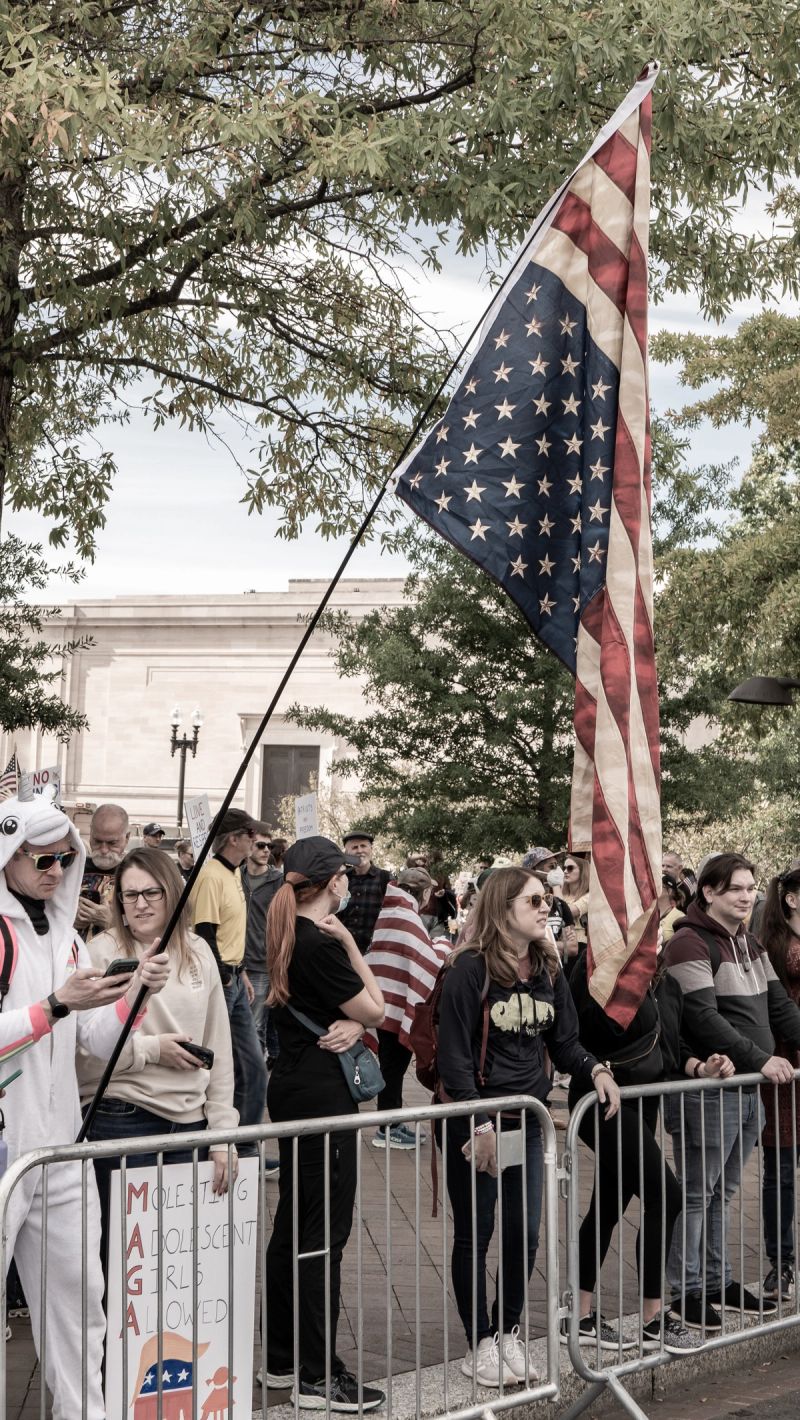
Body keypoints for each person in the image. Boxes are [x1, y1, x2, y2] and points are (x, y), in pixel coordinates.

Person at [0, 792, 169, 1420]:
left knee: (81, 1306)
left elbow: (92, 1042)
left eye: (63, 860)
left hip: (63, 1151)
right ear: (9, 857)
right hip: (4, 1150)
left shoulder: (70, 941)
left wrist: (132, 996)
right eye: (42, 860)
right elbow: (46, 1019)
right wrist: (55, 1006)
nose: (56, 871)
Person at [436, 865, 620, 1388]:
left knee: (526, 1233)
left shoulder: (547, 967)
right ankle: (480, 1343)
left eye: (547, 900)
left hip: (529, 1121)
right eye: (535, 901)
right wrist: (477, 1124)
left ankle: (508, 1332)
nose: (547, 908)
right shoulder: (469, 969)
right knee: (477, 1231)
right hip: (475, 1121)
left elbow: (564, 1042)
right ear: (503, 908)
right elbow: (453, 1056)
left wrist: (595, 1068)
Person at [263, 835, 386, 1412]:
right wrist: (351, 947)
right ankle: (317, 1373)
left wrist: (355, 1025)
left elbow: (356, 1018)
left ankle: (286, 1361)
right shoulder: (319, 941)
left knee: (294, 1222)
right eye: (345, 874)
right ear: (333, 880)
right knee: (323, 1235)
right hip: (321, 1096)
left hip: (293, 1088)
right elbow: (377, 1007)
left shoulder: (290, 934)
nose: (351, 882)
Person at [568, 947, 734, 1354]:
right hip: (602, 1102)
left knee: (607, 1206)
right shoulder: (596, 970)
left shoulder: (669, 983)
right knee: (667, 1195)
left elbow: (672, 1046)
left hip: (645, 1105)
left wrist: (703, 1068)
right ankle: (653, 1318)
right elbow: (579, 1033)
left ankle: (579, 1314)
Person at [78, 847, 238, 1263]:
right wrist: (152, 1050)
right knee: (124, 1265)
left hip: (192, 1125)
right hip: (121, 1120)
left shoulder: (200, 950)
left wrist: (223, 1134)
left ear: (172, 892)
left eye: (151, 892)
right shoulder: (101, 954)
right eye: (130, 896)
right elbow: (85, 1055)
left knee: (175, 1267)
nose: (141, 903)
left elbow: (219, 1047)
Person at [663, 852, 800, 1328]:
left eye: (749, 888)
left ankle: (717, 1283)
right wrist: (760, 1059)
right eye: (735, 889)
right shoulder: (687, 943)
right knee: (698, 1195)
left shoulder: (751, 943)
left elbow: (780, 1009)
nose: (746, 897)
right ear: (708, 892)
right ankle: (686, 1291)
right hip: (710, 1086)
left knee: (723, 1194)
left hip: (745, 1091)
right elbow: (703, 1016)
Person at [189, 808, 268, 1152]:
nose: (256, 842)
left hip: (234, 978)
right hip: (221, 982)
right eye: (252, 835)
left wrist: (243, 973)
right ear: (234, 838)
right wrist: (224, 979)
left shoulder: (232, 873)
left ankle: (242, 1142)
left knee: (251, 1067)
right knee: (234, 1068)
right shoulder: (211, 876)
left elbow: (229, 933)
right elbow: (205, 933)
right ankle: (236, 1145)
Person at [366, 866, 449, 1149]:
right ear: (424, 893)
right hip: (395, 1003)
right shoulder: (406, 915)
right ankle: (387, 1128)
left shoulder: (389, 908)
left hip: (383, 999)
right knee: (393, 1068)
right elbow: (428, 961)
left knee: (391, 1067)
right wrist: (442, 944)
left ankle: (391, 1122)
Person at [757, 865, 800, 1299]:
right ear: (791, 899)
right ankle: (781, 1265)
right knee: (781, 1174)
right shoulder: (776, 945)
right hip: (785, 1066)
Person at [241, 823, 283, 1069]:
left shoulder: (278, 881)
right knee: (234, 1024)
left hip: (261, 964)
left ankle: (253, 1079)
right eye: (261, 845)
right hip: (234, 963)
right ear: (249, 847)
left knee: (256, 1026)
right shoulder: (236, 876)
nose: (267, 850)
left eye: (270, 846)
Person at [75, 802, 130, 939]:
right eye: (97, 841)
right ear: (91, 833)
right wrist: (71, 919)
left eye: (112, 843)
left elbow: (149, 928)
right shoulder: (71, 869)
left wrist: (112, 922)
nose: (104, 850)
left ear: (127, 838)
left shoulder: (137, 874)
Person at [337, 830, 391, 954]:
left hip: (375, 953)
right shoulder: (340, 879)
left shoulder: (385, 878)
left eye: (363, 846)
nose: (360, 850)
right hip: (343, 953)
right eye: (354, 847)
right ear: (347, 853)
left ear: (371, 849)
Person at [657, 872, 692, 945]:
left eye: (658, 886)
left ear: (669, 891)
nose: (653, 888)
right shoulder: (650, 914)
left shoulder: (679, 917)